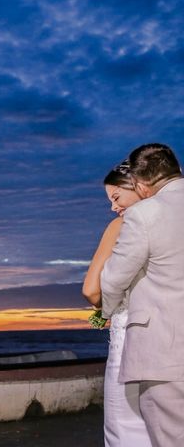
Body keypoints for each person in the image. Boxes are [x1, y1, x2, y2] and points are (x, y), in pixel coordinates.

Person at [100, 143, 184, 447]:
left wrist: (108, 311)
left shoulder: (146, 214)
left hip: (166, 354)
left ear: (140, 183)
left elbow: (112, 279)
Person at [82, 161, 152, 447]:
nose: (113, 207)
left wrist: (103, 309)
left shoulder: (122, 225)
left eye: (116, 197)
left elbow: (91, 289)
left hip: (131, 342)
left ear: (137, 186)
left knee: (125, 427)